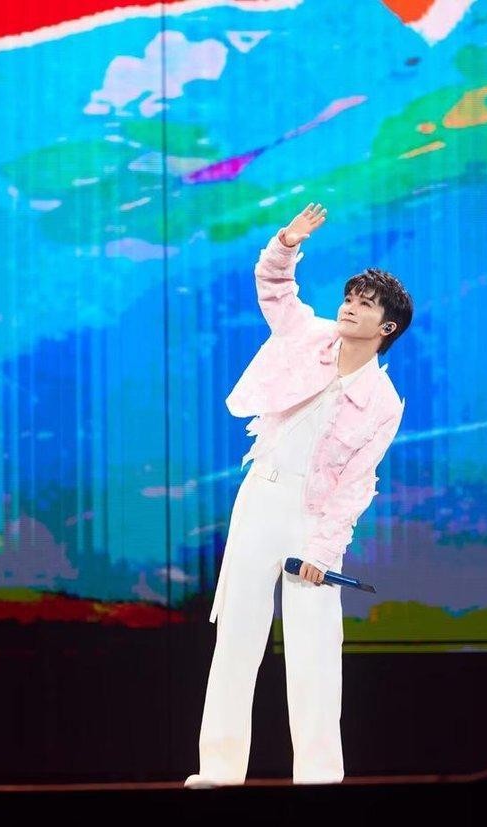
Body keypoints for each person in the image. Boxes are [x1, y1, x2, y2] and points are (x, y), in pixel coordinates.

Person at [184, 202, 413, 788]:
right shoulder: (307, 336)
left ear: (387, 327)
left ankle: (319, 778)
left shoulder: (383, 403)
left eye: (365, 303)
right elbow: (275, 289)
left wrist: (323, 550)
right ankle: (219, 770)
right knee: (237, 635)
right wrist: (287, 241)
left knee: (314, 649)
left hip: (313, 522)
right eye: (349, 297)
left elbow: (355, 484)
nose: (350, 306)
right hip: (262, 496)